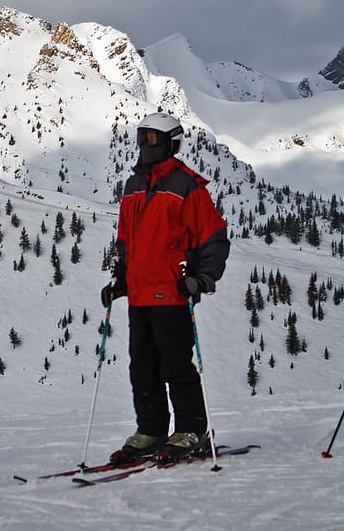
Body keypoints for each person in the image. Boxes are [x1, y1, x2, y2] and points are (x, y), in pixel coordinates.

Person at [100, 112, 230, 463]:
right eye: (141, 136)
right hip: (141, 294)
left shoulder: (187, 186)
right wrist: (120, 279)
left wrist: (202, 278)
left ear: (171, 143)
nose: (144, 144)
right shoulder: (133, 186)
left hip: (172, 292)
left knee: (175, 364)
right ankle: (152, 430)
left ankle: (192, 428)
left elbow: (214, 237)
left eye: (153, 138)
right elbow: (126, 240)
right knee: (142, 366)